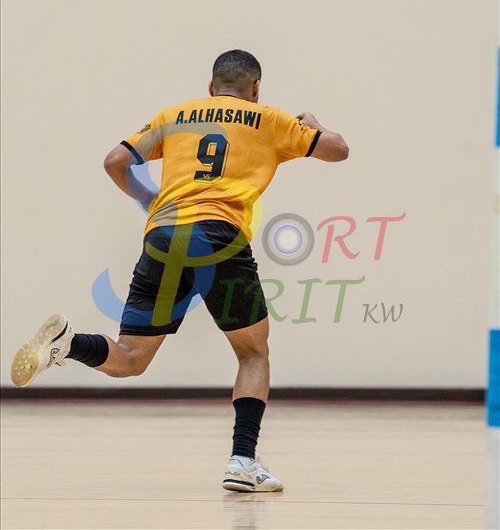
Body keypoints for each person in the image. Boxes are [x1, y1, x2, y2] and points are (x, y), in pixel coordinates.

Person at [11, 49, 349, 492]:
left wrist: (148, 199)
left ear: (210, 87)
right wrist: (315, 126)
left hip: (163, 235)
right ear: (255, 89)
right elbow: (338, 151)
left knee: (130, 359)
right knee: (253, 353)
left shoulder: (175, 116)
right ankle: (242, 461)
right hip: (218, 235)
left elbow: (115, 161)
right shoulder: (270, 119)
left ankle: (69, 343)